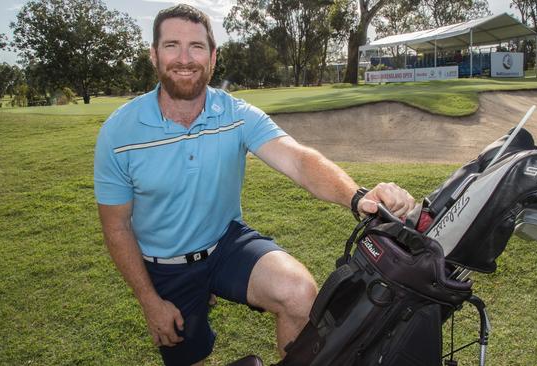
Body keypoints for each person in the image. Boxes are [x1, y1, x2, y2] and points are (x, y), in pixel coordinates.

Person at [94, 4, 415, 366]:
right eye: (172, 45)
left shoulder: (235, 114)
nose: (185, 58)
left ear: (213, 57)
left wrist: (357, 196)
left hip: (224, 242)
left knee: (298, 293)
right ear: (154, 54)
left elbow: (297, 158)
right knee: (189, 355)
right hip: (165, 264)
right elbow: (117, 227)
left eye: (196, 47)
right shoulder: (119, 133)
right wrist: (150, 302)